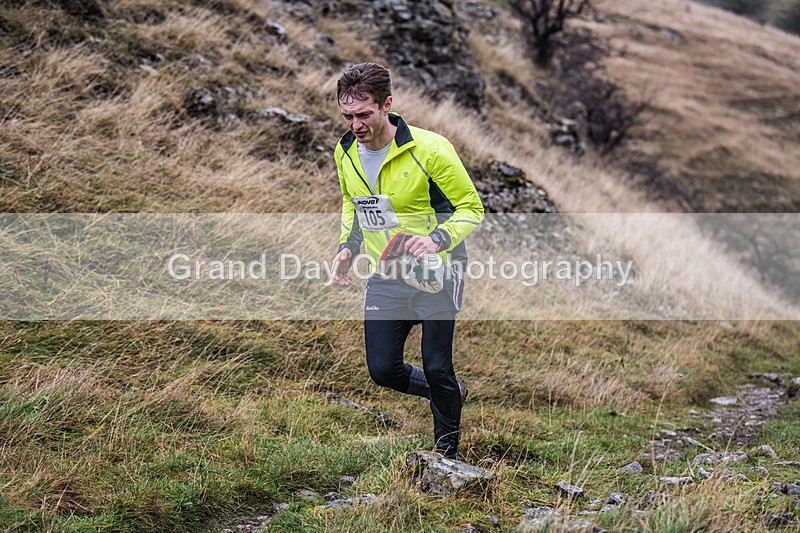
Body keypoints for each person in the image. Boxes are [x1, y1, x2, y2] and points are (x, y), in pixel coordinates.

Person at [330, 62, 484, 459]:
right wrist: (348, 246)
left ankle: (446, 456)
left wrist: (437, 239)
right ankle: (451, 393)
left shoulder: (430, 149)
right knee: (383, 369)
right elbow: (354, 203)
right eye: (347, 115)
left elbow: (471, 207)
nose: (355, 125)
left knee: (436, 365)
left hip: (440, 269)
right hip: (389, 271)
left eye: (364, 114)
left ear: (387, 105)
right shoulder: (345, 151)